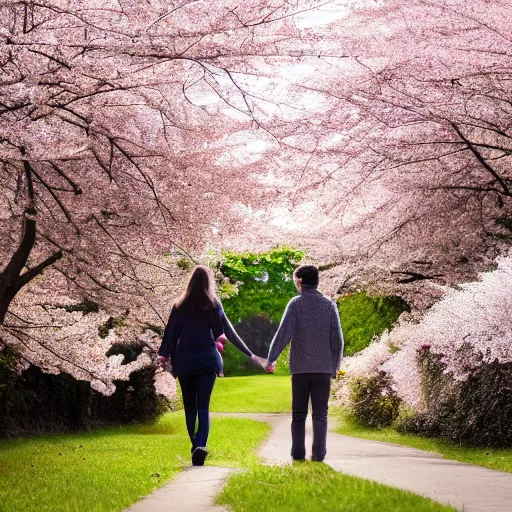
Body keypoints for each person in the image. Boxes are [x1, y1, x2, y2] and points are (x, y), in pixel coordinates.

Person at [157, 265, 266, 466]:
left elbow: (170, 334)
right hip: (207, 359)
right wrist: (247, 353)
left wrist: (163, 356)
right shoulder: (213, 304)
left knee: (190, 407)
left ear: (189, 282)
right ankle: (200, 444)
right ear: (209, 282)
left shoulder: (179, 306)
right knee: (203, 406)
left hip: (185, 361)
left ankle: (195, 446)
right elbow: (224, 332)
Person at [265, 264, 344, 462]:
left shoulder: (295, 304)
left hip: (300, 368)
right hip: (323, 368)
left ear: (300, 281)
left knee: (298, 413)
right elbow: (337, 339)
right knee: (320, 414)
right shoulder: (329, 304)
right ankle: (319, 454)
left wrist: (271, 358)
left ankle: (298, 453)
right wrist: (335, 366)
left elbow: (283, 334)